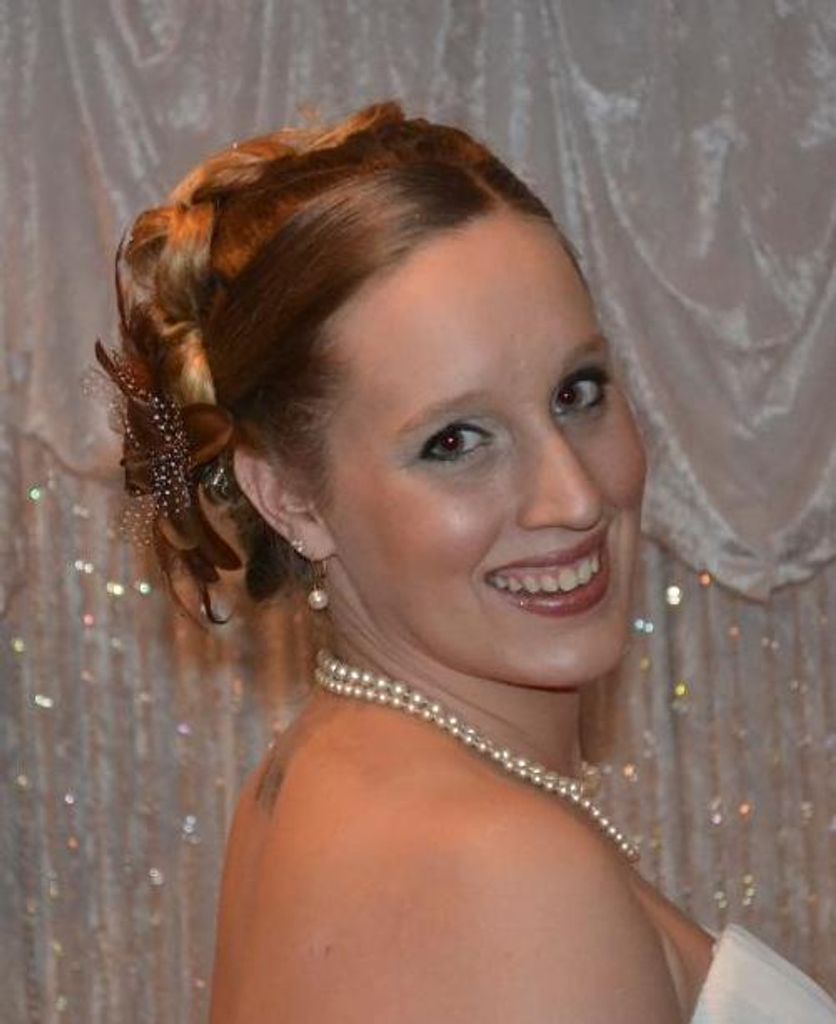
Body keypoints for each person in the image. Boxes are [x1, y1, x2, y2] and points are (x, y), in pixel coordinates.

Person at [95, 101, 836, 1022]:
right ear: (290, 498)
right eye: (454, 442)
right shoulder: (506, 872)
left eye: (578, 391)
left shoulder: (316, 781)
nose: (573, 496)